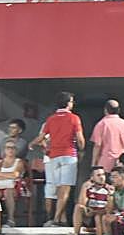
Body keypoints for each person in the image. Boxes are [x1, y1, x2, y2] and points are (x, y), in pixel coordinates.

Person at [31, 91, 85, 226]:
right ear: (68, 103)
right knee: (64, 189)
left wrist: (32, 143)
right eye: (71, 101)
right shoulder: (74, 118)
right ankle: (56, 218)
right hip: (69, 155)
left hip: (53, 157)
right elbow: (80, 139)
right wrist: (82, 149)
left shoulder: (50, 119)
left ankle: (53, 218)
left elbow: (41, 137)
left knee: (52, 188)